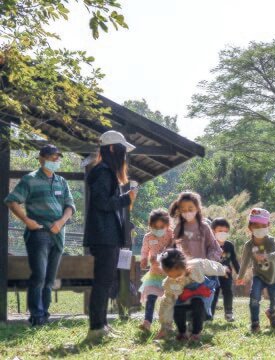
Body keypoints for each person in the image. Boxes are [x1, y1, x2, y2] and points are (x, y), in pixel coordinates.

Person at [4, 144, 75, 326]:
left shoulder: (62, 181)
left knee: (50, 279)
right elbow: (11, 201)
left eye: (58, 157)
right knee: (39, 277)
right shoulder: (30, 179)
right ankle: (37, 316)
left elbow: (69, 206)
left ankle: (45, 314)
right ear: (41, 158)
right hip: (39, 234)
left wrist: (60, 223)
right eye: (52, 157)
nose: (56, 161)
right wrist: (27, 221)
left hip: (59, 235)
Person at [83, 130, 138, 343]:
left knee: (105, 282)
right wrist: (126, 199)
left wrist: (125, 198)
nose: (124, 156)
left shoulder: (106, 172)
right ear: (113, 149)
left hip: (107, 236)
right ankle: (96, 327)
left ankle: (102, 325)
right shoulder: (104, 172)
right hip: (103, 237)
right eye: (123, 151)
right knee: (102, 282)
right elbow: (102, 203)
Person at [156, 248, 227, 342]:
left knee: (197, 303)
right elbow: (167, 302)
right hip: (184, 298)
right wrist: (165, 326)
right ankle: (182, 333)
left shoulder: (197, 266)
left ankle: (195, 333)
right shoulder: (169, 283)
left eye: (177, 275)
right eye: (171, 276)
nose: (175, 279)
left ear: (183, 265)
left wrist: (223, 270)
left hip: (202, 295)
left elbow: (212, 266)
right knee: (177, 307)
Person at [236, 208, 275, 333]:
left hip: (274, 277)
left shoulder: (270, 241)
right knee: (254, 297)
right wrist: (240, 277)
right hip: (259, 276)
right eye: (256, 225)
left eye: (263, 225)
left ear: (268, 225)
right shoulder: (249, 245)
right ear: (250, 227)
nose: (259, 228)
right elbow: (245, 262)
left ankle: (271, 313)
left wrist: (266, 256)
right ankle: (255, 324)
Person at [138, 209, 174, 331]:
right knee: (151, 297)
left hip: (170, 274)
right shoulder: (148, 237)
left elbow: (177, 249)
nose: (158, 229)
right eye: (155, 227)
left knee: (170, 299)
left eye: (161, 227)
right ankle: (147, 321)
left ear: (167, 225)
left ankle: (168, 323)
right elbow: (144, 251)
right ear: (150, 225)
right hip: (154, 274)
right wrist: (144, 260)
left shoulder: (171, 234)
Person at [169, 191, 222, 261]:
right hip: (185, 269)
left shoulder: (204, 227)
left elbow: (214, 248)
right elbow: (172, 249)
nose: (187, 212)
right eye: (183, 210)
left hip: (202, 269)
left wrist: (210, 260)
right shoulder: (178, 229)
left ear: (197, 208)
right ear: (180, 211)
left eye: (190, 209)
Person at [210, 218, 240, 321]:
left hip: (226, 275)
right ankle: (210, 315)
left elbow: (234, 260)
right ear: (213, 231)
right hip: (213, 275)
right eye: (220, 231)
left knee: (228, 291)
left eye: (225, 231)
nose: (223, 233)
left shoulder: (229, 245)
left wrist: (240, 273)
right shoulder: (210, 245)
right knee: (214, 294)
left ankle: (229, 313)